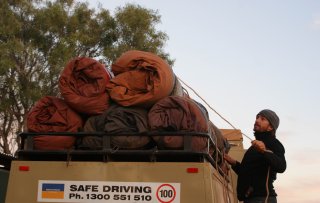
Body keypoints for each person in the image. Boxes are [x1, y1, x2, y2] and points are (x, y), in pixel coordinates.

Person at [224, 109, 286, 203]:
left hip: (263, 198)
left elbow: (281, 166)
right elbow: (246, 172)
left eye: (263, 119)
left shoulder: (274, 144)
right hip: (250, 199)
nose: (257, 120)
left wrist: (264, 151)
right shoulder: (253, 147)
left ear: (270, 127)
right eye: (257, 117)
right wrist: (233, 162)